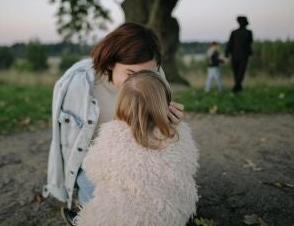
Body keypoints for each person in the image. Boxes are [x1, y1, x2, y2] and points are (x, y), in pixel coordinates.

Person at [41, 23, 185, 225]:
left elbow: (160, 138)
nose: (142, 82)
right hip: (96, 163)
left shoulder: (157, 78)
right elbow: (64, 142)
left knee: (157, 208)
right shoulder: (77, 84)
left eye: (149, 73)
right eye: (131, 74)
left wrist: (170, 123)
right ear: (110, 64)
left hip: (139, 160)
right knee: (105, 208)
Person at [76, 70, 199, 226]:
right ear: (166, 104)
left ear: (121, 102)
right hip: (170, 217)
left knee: (90, 189)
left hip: (123, 220)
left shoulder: (113, 133)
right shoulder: (179, 133)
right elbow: (190, 167)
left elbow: (92, 170)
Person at [225, 16, 253, 93]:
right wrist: (227, 52)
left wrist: (227, 52)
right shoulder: (247, 32)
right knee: (239, 71)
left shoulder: (235, 32)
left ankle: (237, 86)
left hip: (236, 55)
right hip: (242, 55)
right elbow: (249, 43)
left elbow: (229, 43)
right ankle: (238, 86)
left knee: (237, 71)